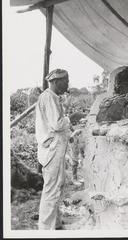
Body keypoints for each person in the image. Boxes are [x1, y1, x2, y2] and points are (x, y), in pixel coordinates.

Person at [35, 68, 70, 230]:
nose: (68, 84)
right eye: (66, 81)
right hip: (52, 150)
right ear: (57, 82)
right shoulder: (48, 98)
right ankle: (46, 229)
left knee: (57, 185)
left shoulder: (52, 98)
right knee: (52, 189)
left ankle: (54, 223)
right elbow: (56, 124)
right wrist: (71, 118)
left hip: (55, 149)